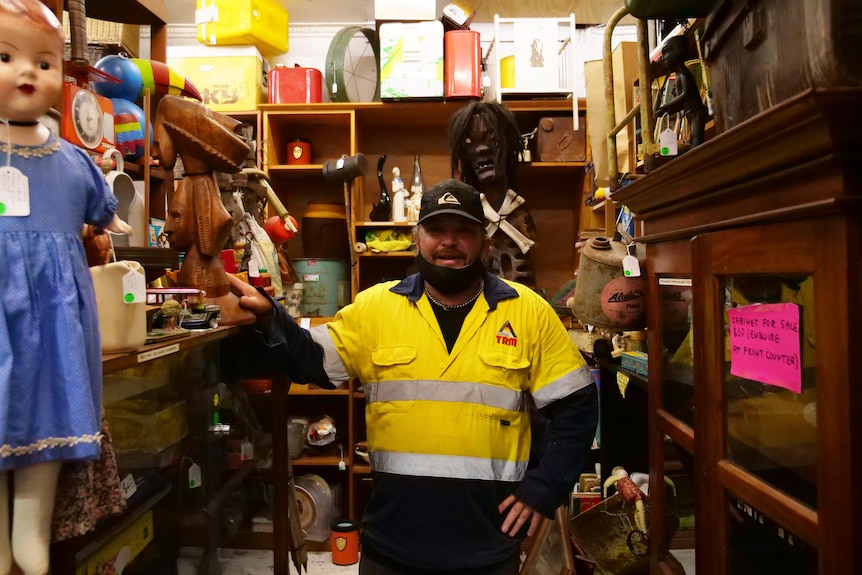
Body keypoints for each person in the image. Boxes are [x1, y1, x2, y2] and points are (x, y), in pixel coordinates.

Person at [230, 179, 598, 574]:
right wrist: (272, 317)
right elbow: (313, 362)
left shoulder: (528, 311)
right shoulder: (375, 307)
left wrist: (545, 488)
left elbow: (577, 406)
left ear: (485, 243)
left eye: (464, 231)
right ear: (417, 237)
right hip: (391, 546)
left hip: (487, 549)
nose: (449, 242)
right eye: (436, 230)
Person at [0, 1, 132, 573]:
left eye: (46, 61)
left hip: (54, 353)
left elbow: (109, 221)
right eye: (5, 56)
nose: (28, 72)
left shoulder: (75, 165)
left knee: (33, 524)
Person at [448, 101, 539, 289]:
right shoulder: (471, 216)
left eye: (492, 139)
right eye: (469, 142)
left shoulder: (515, 208)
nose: (483, 149)